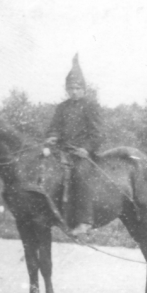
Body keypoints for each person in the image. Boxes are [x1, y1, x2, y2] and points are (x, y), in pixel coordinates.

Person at [44, 54, 103, 237]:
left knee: (79, 174)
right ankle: (54, 216)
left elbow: (98, 133)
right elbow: (53, 127)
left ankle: (85, 222)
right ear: (66, 89)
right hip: (62, 151)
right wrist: (52, 136)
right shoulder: (62, 108)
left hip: (82, 153)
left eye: (77, 88)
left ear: (84, 89)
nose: (74, 92)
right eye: (71, 88)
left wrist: (87, 149)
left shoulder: (91, 106)